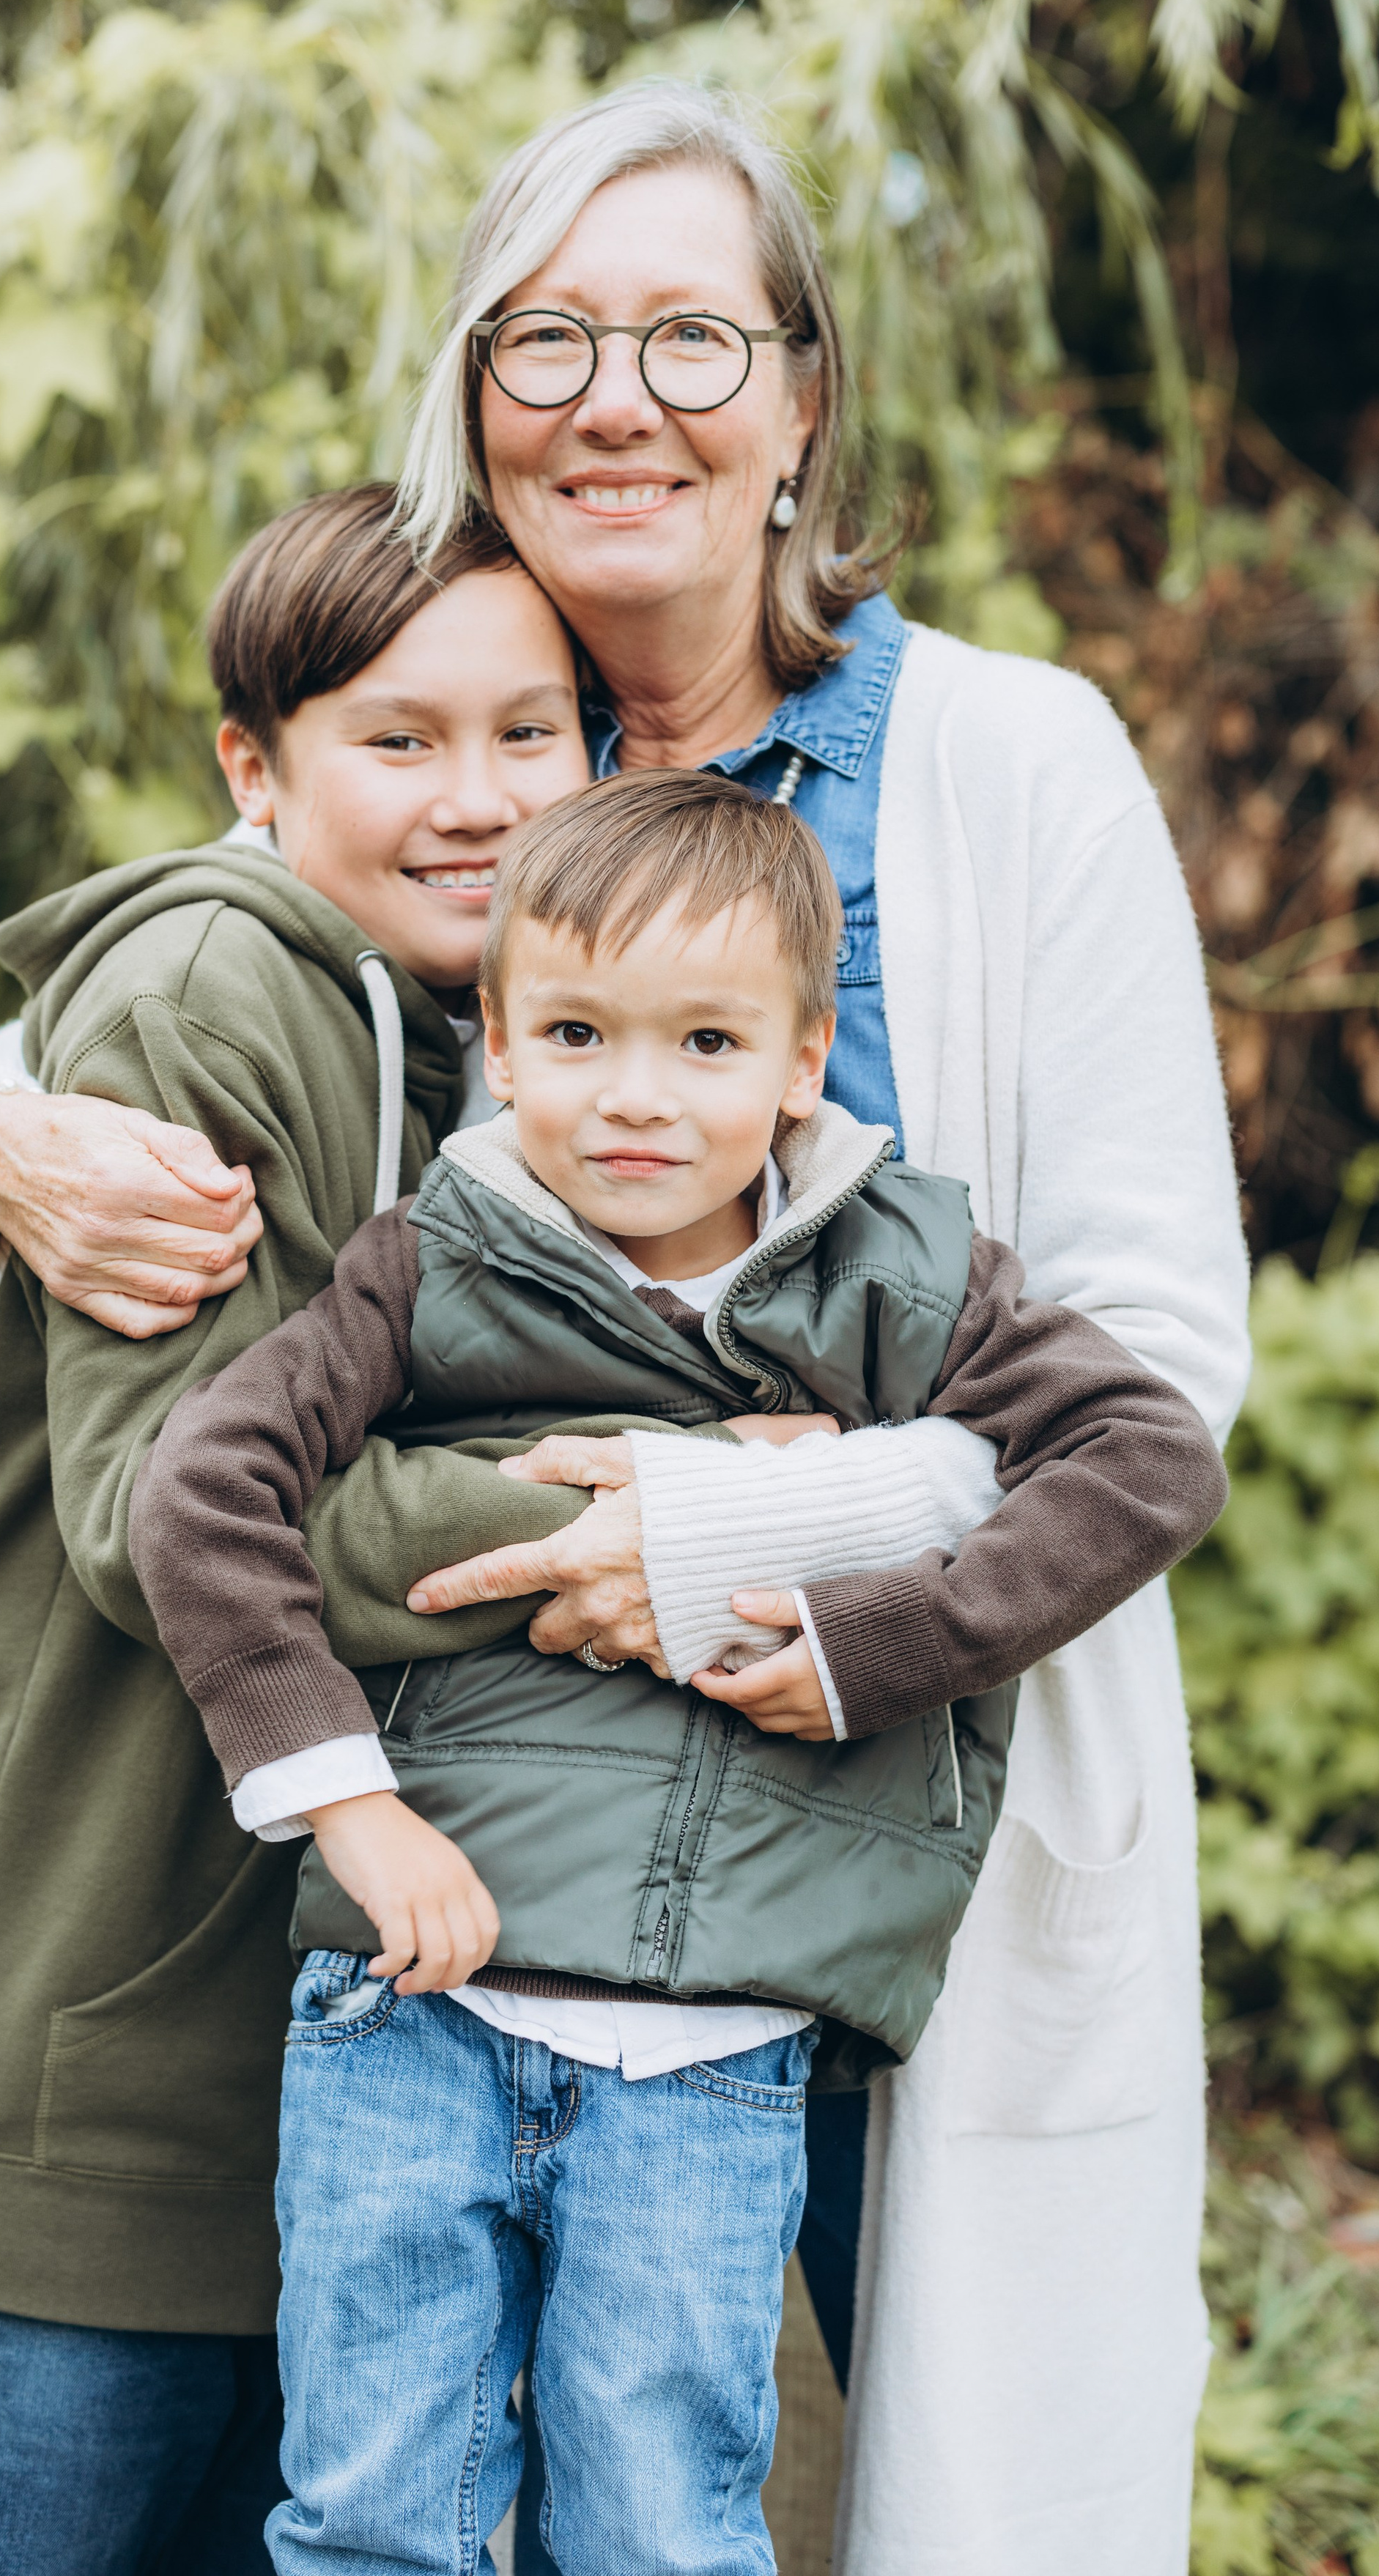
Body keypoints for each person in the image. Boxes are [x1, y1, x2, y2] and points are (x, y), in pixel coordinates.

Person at [0, 81, 1251, 2576]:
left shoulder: (1005, 769)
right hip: (498, 1881)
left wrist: (752, 1532)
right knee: (487, 2497)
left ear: (803, 403)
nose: (616, 396)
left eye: (689, 336)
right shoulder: (468, 744)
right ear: (470, 401)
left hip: (877, 1798)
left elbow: (1156, 1364)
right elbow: (194, 974)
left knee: (877, 2495)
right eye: (548, 342)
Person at [133, 769, 1228, 2576]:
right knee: (371, 2517)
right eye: (572, 1032)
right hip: (417, 1998)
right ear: (495, 1041)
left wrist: (858, 1641)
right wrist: (346, 1801)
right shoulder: (428, 1264)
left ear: (803, 1061)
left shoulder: (907, 1281)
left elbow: (1143, 1460)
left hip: (714, 2045)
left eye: (705, 1040)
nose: (633, 1095)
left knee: (657, 2530)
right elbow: (202, 1487)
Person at [0, 488, 606, 2576]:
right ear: (255, 768)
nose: (482, 797)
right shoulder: (211, 988)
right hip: (52, 2086)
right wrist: (651, 1520)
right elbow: (161, 1516)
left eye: (535, 733)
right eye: (399, 739)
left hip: (285, 2092)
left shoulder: (479, 1044)